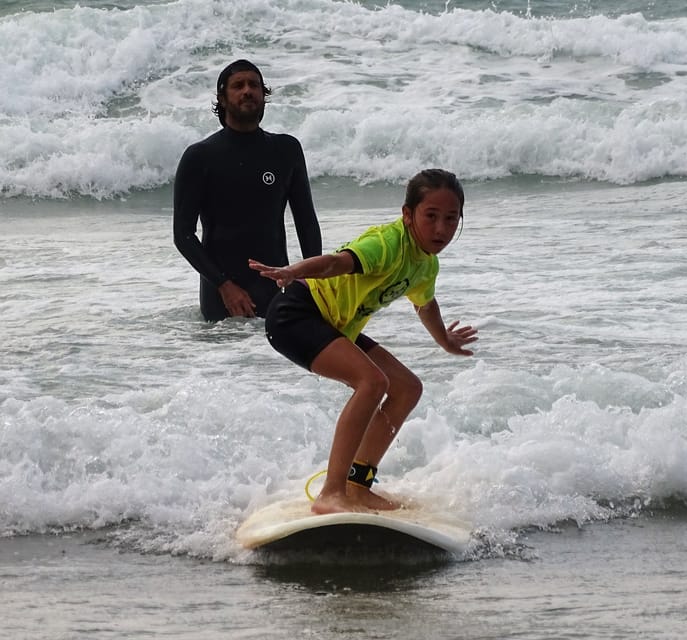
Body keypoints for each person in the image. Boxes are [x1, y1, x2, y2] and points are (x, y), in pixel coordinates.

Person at [249, 169, 478, 514]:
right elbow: (336, 263)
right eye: (431, 216)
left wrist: (444, 340)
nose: (441, 229)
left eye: (451, 219)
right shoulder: (386, 244)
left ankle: (357, 486)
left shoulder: (426, 264)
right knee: (371, 382)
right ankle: (331, 492)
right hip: (296, 314)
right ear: (407, 214)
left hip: (334, 323)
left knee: (406, 388)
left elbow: (425, 304)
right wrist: (296, 270)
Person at [173, 59, 322, 321]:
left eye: (254, 85)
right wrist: (224, 286)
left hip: (276, 289)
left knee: (276, 361)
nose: (247, 91)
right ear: (222, 98)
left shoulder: (286, 150)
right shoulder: (200, 156)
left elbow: (306, 222)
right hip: (221, 299)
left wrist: (312, 281)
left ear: (264, 95)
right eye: (238, 85)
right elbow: (183, 234)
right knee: (224, 361)